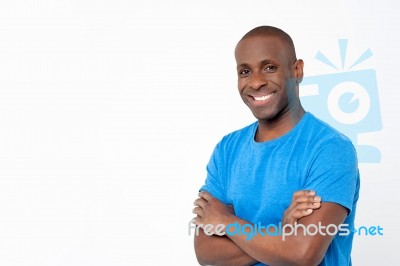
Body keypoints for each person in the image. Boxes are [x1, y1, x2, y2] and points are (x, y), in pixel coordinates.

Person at [192, 26, 360, 266]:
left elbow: (302, 254)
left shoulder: (330, 149)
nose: (257, 82)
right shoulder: (227, 150)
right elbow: (206, 252)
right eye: (245, 71)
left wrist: (227, 222)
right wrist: (282, 231)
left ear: (297, 70)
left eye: (270, 67)